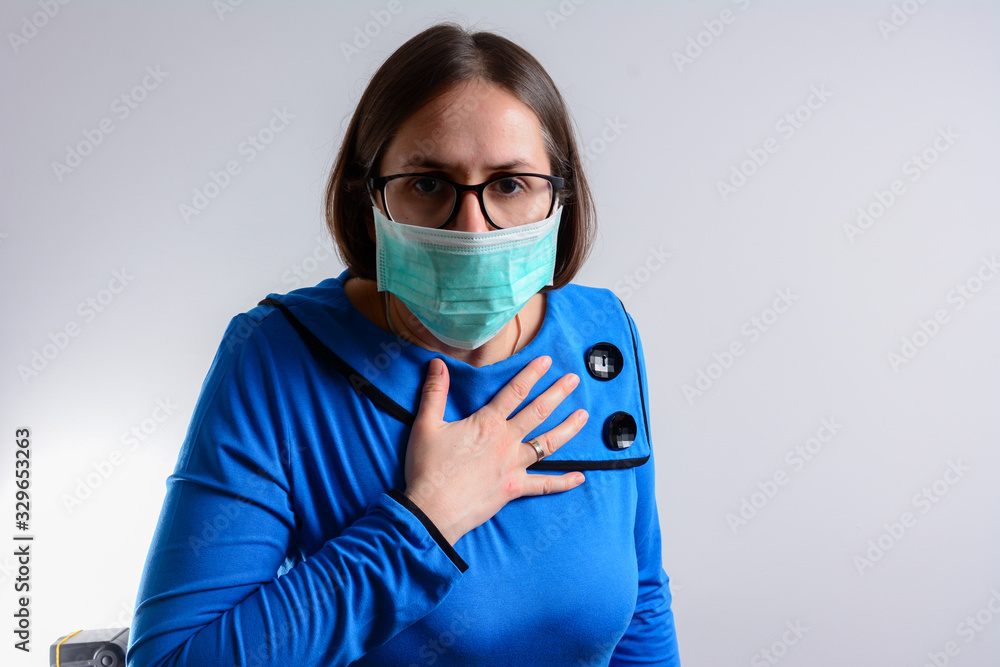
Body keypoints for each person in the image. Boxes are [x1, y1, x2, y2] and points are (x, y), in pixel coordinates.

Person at [127, 21, 680, 666]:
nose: (472, 227)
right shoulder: (277, 356)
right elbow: (175, 660)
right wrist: (423, 523)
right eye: (427, 184)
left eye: (509, 184)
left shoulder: (602, 333)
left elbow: (641, 602)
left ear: (558, 198)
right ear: (370, 202)